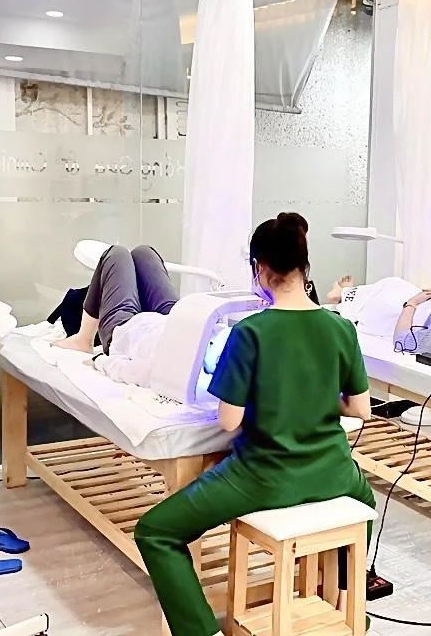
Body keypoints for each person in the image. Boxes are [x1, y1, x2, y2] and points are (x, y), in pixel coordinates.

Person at [134, 213, 377, 636]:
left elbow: (229, 420)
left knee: (155, 532)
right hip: (335, 473)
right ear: (305, 266)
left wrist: (270, 398)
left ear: (259, 268)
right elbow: (361, 409)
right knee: (366, 502)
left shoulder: (249, 332)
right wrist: (316, 397)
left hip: (264, 478)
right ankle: (345, 604)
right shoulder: (341, 328)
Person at [53, 244, 179, 353]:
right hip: (177, 325)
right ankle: (83, 339)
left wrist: (101, 362)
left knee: (117, 254)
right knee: (143, 253)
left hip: (135, 339)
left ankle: (83, 340)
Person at [326, 276, 431, 354]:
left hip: (415, 311)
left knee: (386, 299)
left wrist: (412, 303)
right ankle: (349, 293)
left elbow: (402, 342)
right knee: (394, 284)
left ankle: (343, 294)